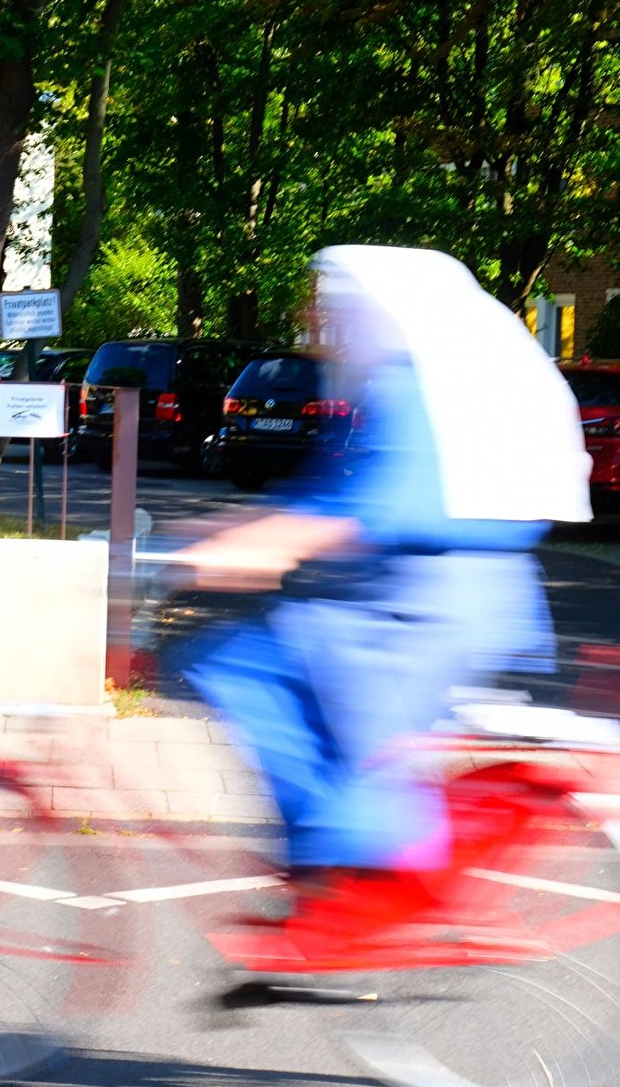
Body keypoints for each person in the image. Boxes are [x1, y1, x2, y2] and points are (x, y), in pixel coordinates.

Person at [176, 245, 592, 907]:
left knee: (253, 668)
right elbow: (340, 492)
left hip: (425, 604)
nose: (318, 322)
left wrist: (270, 542)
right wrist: (236, 530)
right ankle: (331, 869)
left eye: (332, 309)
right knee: (265, 667)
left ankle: (362, 866)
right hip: (435, 592)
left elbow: (391, 499)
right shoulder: (430, 377)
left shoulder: (417, 382)